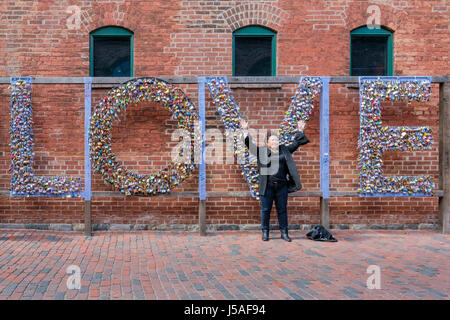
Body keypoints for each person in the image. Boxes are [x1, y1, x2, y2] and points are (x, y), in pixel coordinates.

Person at [240, 119, 309, 242]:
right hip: (267, 186)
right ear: (268, 143)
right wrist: (245, 130)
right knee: (266, 210)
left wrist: (300, 130)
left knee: (282, 210)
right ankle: (265, 232)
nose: (275, 141)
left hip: (282, 186)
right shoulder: (262, 152)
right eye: (272, 140)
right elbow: (249, 145)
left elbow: (297, 143)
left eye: (276, 139)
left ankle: (284, 233)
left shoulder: (285, 150)